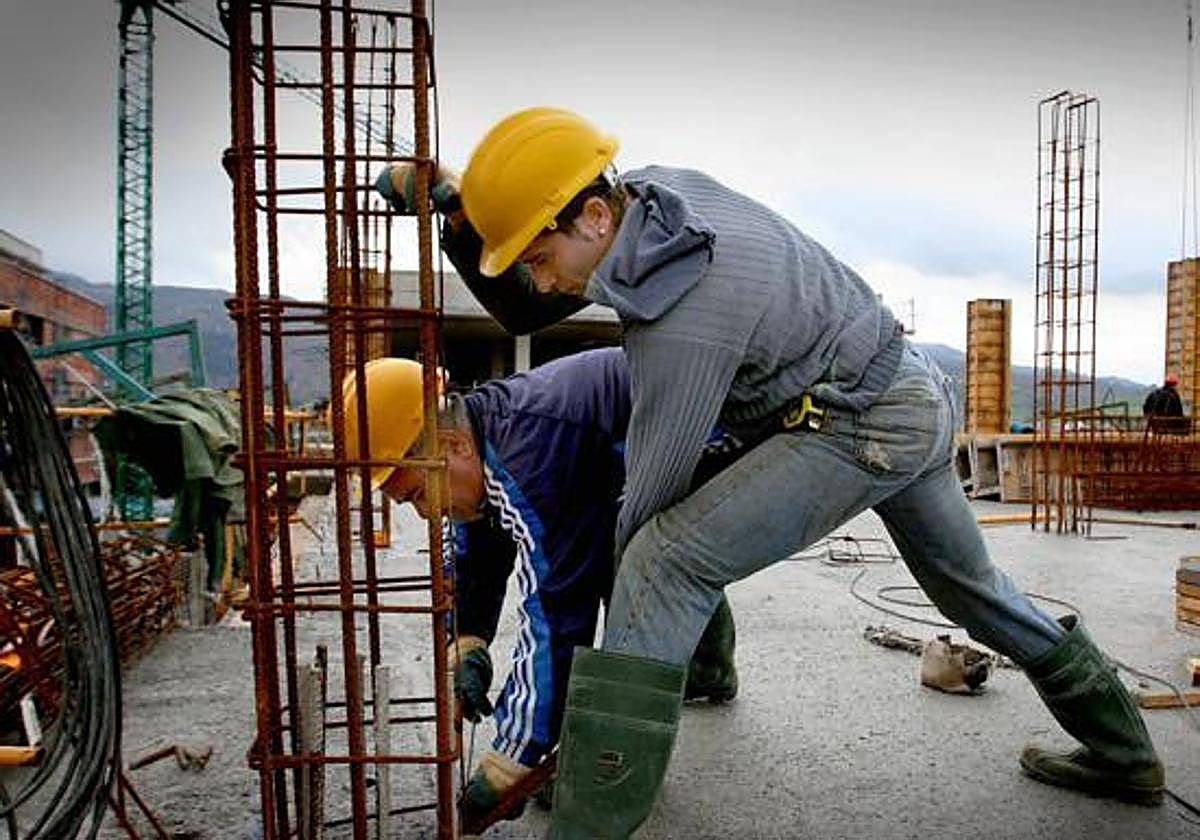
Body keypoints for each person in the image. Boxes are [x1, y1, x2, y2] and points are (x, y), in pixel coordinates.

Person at [438, 106, 1165, 837]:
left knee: (659, 559)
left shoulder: (683, 319)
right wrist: (465, 210)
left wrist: (597, 666)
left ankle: (590, 823)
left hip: (861, 425)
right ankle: (1123, 753)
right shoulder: (656, 197)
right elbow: (529, 309)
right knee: (975, 594)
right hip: (904, 391)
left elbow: (649, 503)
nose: (543, 280)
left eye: (538, 259)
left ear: (595, 217)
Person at [339, 350, 738, 831]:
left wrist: (511, 761)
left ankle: (624, 759)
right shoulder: (483, 434)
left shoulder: (533, 453)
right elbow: (479, 539)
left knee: (639, 570)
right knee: (626, 549)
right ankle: (709, 668)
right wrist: (467, 640)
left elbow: (555, 611)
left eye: (418, 495)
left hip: (728, 436)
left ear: (451, 446)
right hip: (650, 440)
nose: (426, 513)